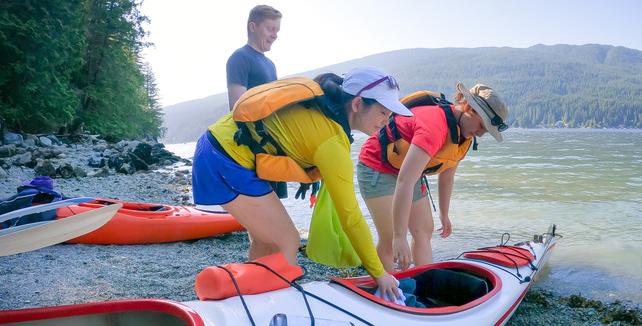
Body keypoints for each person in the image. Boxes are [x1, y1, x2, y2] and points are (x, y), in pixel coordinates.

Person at [192, 67, 413, 301]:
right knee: (287, 240)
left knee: (266, 239)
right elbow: (351, 218)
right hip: (224, 159)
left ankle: (250, 297)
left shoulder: (325, 111)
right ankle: (276, 302)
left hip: (218, 147)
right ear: (358, 104)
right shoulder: (332, 143)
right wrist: (379, 273)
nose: (386, 122)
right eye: (382, 112)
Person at [357, 82, 508, 272]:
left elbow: (447, 176)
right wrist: (400, 236)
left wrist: (444, 215)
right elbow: (405, 181)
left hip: (409, 171)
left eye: (486, 131)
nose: (481, 133)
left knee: (424, 230)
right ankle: (386, 290)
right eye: (481, 125)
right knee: (390, 239)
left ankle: (425, 280)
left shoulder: (465, 136)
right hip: (377, 165)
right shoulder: (434, 127)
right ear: (468, 107)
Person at [226, 5, 282, 110]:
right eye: (270, 29)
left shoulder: (271, 64)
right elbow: (237, 108)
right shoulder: (239, 58)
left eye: (277, 31)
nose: (275, 36)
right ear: (253, 27)